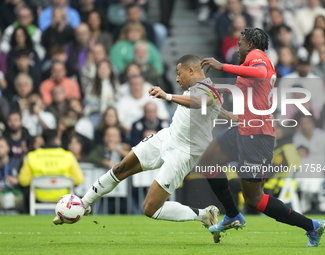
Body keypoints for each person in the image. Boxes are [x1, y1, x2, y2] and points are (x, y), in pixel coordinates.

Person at [53, 54, 236, 244]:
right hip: (167, 137)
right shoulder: (199, 89)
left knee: (150, 209)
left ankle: (205, 215)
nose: (176, 78)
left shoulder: (209, 88)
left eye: (178, 73)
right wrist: (227, 115)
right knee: (120, 168)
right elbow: (209, 105)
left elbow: (201, 102)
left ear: (191, 70)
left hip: (183, 153)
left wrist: (167, 96)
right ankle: (82, 204)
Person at [198, 27, 325, 247]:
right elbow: (242, 93)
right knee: (207, 163)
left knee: (254, 199)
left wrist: (223, 66)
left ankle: (312, 226)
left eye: (239, 44)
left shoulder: (256, 57)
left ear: (249, 44)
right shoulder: (249, 65)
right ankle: (232, 215)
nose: (237, 48)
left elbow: (260, 73)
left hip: (256, 137)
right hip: (243, 129)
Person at [18, 129, 84, 203]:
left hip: (39, 197)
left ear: (43, 141)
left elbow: (23, 181)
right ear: (56, 140)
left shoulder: (31, 156)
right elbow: (79, 180)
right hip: (64, 198)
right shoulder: (68, 156)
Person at [0, 137, 24, 212]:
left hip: (15, 195)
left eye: (1, 146)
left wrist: (18, 180)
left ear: (7, 148)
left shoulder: (17, 162)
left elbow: (26, 180)